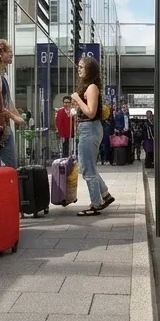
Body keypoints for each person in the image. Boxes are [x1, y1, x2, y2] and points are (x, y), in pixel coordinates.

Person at [68, 56, 114, 216]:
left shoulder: (92, 87)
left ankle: (96, 204)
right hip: (87, 129)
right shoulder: (88, 86)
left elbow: (91, 112)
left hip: (90, 128)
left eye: (82, 67)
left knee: (87, 169)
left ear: (90, 70)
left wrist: (77, 99)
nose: (78, 69)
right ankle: (105, 195)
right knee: (89, 167)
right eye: (78, 66)